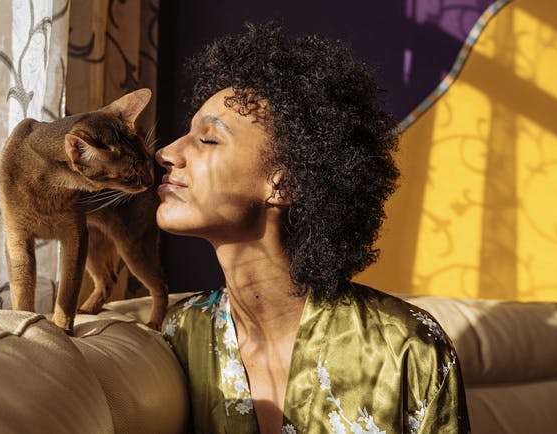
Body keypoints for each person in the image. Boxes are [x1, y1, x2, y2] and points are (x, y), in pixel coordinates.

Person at [156, 22, 469, 434]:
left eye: (208, 140)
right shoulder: (181, 334)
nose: (166, 152)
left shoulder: (406, 349)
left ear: (283, 183)